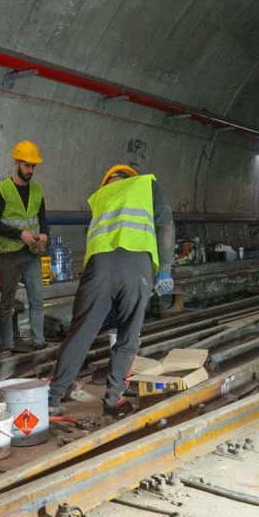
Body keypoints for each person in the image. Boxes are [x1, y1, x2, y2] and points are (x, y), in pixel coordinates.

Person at [48, 165, 175, 418]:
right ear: (131, 176)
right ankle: (113, 399)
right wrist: (165, 269)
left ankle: (52, 398)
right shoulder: (146, 184)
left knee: (81, 333)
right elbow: (166, 225)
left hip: (98, 268)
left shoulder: (101, 196)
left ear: (109, 180)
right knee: (128, 336)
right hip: (135, 267)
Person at [0, 140, 49, 353]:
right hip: (10, 255)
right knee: (7, 302)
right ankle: (7, 345)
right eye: (26, 165)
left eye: (33, 166)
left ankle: (39, 341)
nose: (30, 170)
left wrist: (44, 235)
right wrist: (19, 234)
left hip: (32, 253)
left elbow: (42, 218)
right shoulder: (2, 190)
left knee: (37, 299)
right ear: (17, 163)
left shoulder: (38, 190)